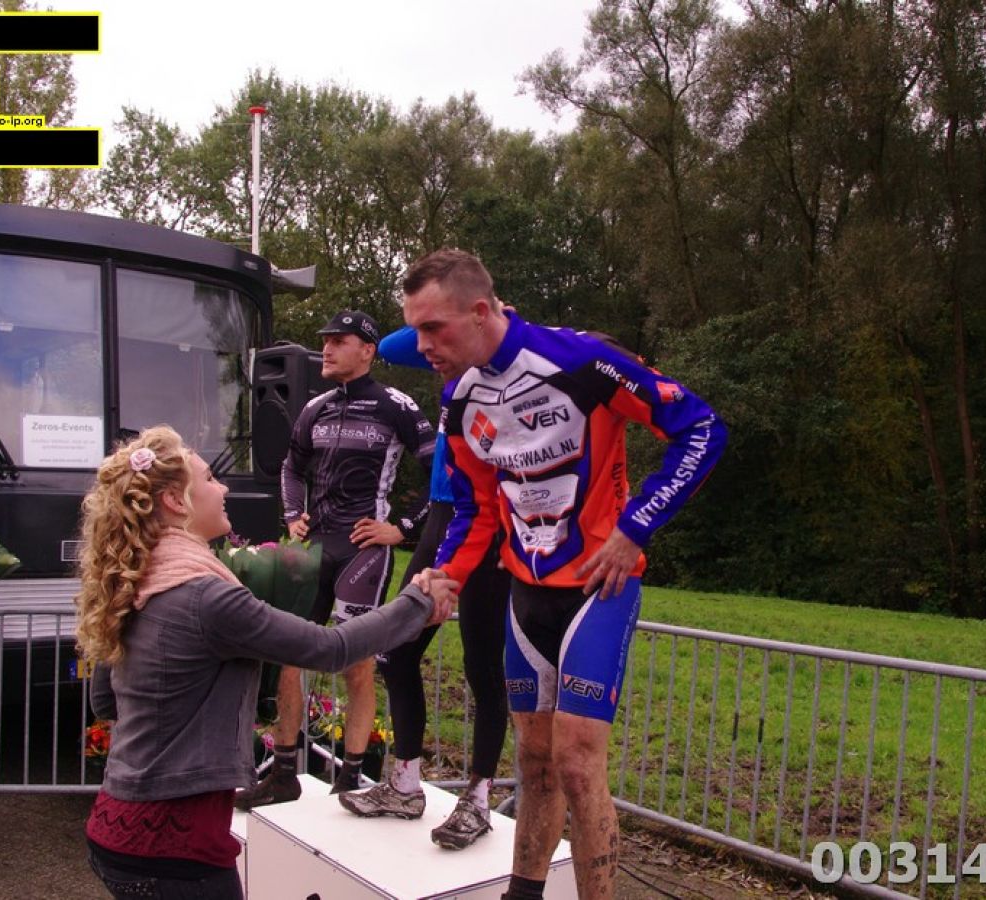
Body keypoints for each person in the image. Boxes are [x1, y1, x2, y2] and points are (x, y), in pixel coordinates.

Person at [402, 250, 728, 899]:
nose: (422, 345)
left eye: (433, 328)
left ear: (480, 310)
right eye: (416, 330)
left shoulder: (582, 361)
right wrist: (446, 574)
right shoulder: (459, 398)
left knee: (578, 765)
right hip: (526, 594)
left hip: (598, 587)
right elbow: (476, 507)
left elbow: (700, 428)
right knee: (534, 762)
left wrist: (635, 527)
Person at [76, 426, 454, 899]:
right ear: (174, 501)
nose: (223, 488)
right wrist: (416, 602)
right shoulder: (205, 597)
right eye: (209, 479)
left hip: (115, 824)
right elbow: (330, 649)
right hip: (174, 846)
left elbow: (105, 701)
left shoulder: (139, 579)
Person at [237, 310, 436, 807]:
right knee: (291, 655)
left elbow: (442, 474)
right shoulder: (315, 407)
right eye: (325, 339)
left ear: (367, 350)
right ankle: (283, 773)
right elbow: (291, 467)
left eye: (339, 340)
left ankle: (350, 776)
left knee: (357, 662)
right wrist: (292, 515)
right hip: (315, 548)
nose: (325, 348)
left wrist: (402, 528)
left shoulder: (396, 405)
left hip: (363, 551)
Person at [337, 324, 512, 851]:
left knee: (483, 667)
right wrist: (444, 318)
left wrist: (487, 327)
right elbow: (393, 347)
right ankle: (406, 784)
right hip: (442, 516)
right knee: (397, 653)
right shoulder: (448, 370)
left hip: (489, 523)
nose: (433, 349)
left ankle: (477, 799)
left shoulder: (503, 371)